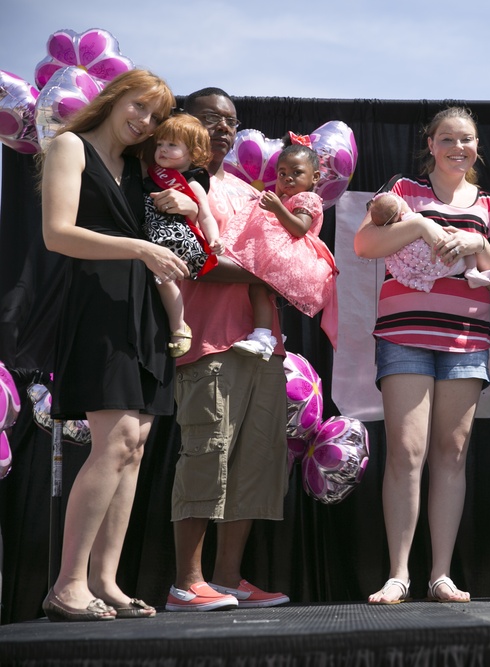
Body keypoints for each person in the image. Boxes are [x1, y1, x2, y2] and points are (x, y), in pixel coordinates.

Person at [39, 69, 180, 621]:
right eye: (138, 107)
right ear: (114, 96)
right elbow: (57, 233)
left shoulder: (140, 171)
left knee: (134, 446)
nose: (143, 122)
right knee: (115, 438)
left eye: (153, 117)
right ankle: (67, 584)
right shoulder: (68, 146)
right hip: (97, 308)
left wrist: (186, 217)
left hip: (141, 313)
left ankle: (105, 579)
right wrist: (140, 249)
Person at [354, 107, 490, 604]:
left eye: (466, 139)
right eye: (447, 139)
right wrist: (420, 225)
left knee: (452, 453)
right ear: (431, 143)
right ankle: (398, 573)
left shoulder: (489, 203)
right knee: (405, 451)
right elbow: (364, 243)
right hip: (405, 332)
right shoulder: (402, 192)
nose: (457, 148)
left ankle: (441, 574)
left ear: (478, 146)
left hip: (465, 338)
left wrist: (477, 240)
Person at [165, 87, 290, 612]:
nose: (222, 128)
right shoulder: (169, 186)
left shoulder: (245, 190)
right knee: (206, 458)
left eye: (231, 121)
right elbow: (193, 260)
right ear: (183, 123)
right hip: (207, 344)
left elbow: (283, 250)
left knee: (253, 464)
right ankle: (185, 583)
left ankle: (228, 578)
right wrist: (275, 272)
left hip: (262, 349)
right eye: (210, 118)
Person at [220, 138, 338, 360]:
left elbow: (300, 228)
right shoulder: (287, 199)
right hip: (283, 253)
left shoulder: (307, 198)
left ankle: (264, 338)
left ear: (314, 177)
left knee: (259, 288)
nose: (287, 178)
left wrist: (276, 208)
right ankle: (270, 335)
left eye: (296, 172)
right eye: (282, 173)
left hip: (292, 255)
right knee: (260, 291)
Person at [143, 113, 224, 358]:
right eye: (160, 144)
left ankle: (179, 327)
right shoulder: (149, 176)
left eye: (172, 145)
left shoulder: (194, 183)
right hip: (149, 239)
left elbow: (205, 216)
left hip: (173, 241)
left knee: (165, 280)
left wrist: (214, 239)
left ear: (193, 152)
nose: (163, 150)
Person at [368, 191, 490, 291]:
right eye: (400, 202)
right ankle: (472, 271)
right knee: (467, 249)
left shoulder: (394, 233)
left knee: (467, 243)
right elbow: (363, 245)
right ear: (400, 213)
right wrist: (421, 225)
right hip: (449, 259)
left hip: (433, 266)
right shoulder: (410, 217)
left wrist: (480, 242)